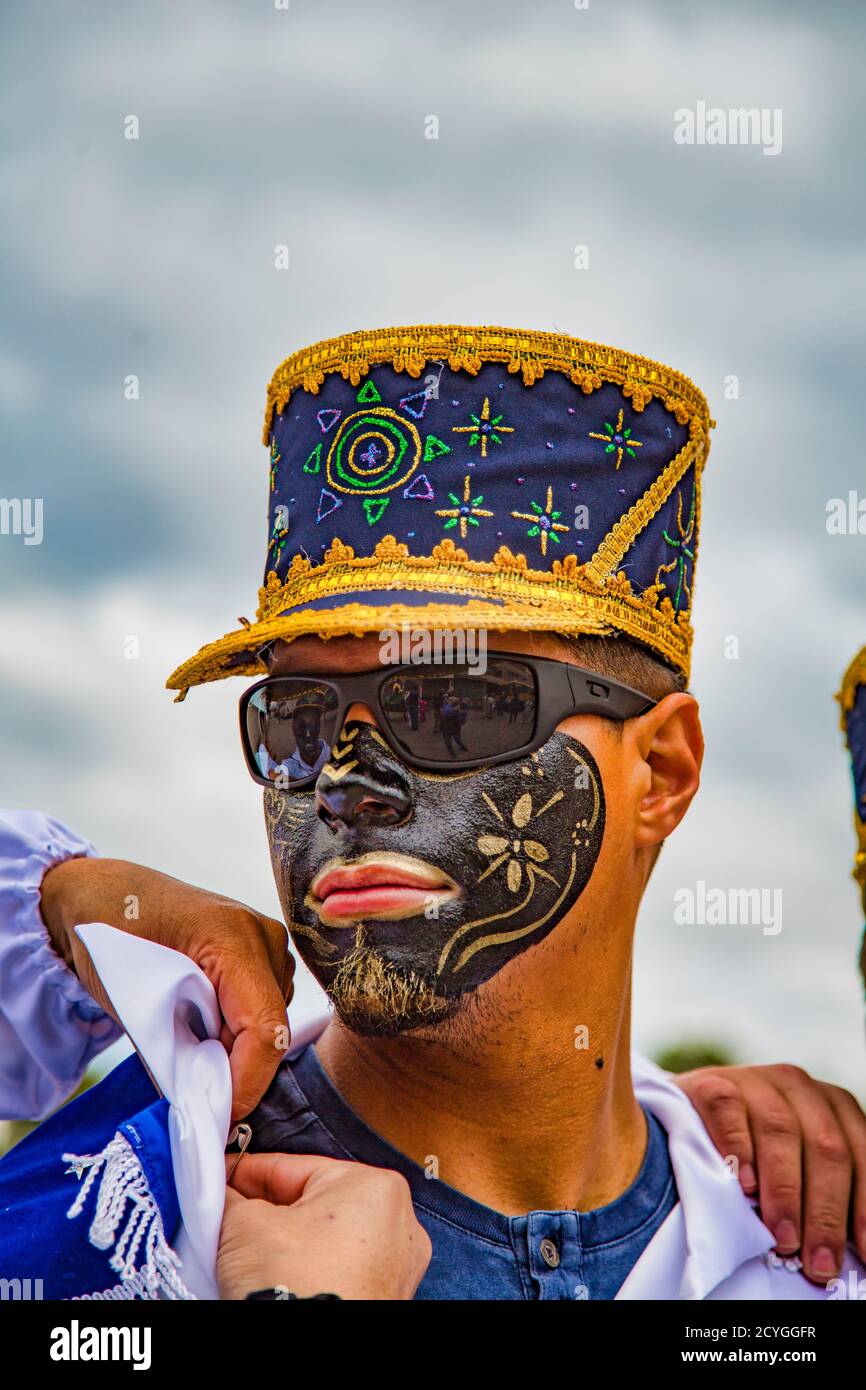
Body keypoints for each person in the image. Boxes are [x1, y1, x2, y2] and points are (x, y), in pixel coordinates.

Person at [1, 324, 865, 1301]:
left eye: (451, 705)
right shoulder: (99, 1231)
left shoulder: (797, 1264)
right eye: (295, 715)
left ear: (659, 771)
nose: (342, 782)